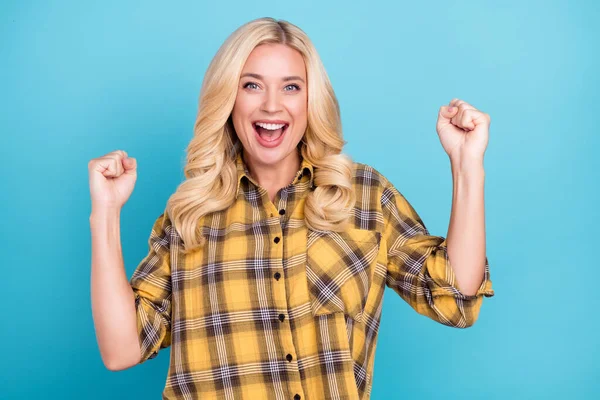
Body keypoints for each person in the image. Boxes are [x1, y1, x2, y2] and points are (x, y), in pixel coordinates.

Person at [89, 17, 494, 400]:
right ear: (228, 98)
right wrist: (105, 214)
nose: (270, 106)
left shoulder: (364, 194)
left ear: (310, 99)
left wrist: (466, 166)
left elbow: (455, 299)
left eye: (290, 87)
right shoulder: (190, 216)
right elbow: (122, 350)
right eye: (251, 85)